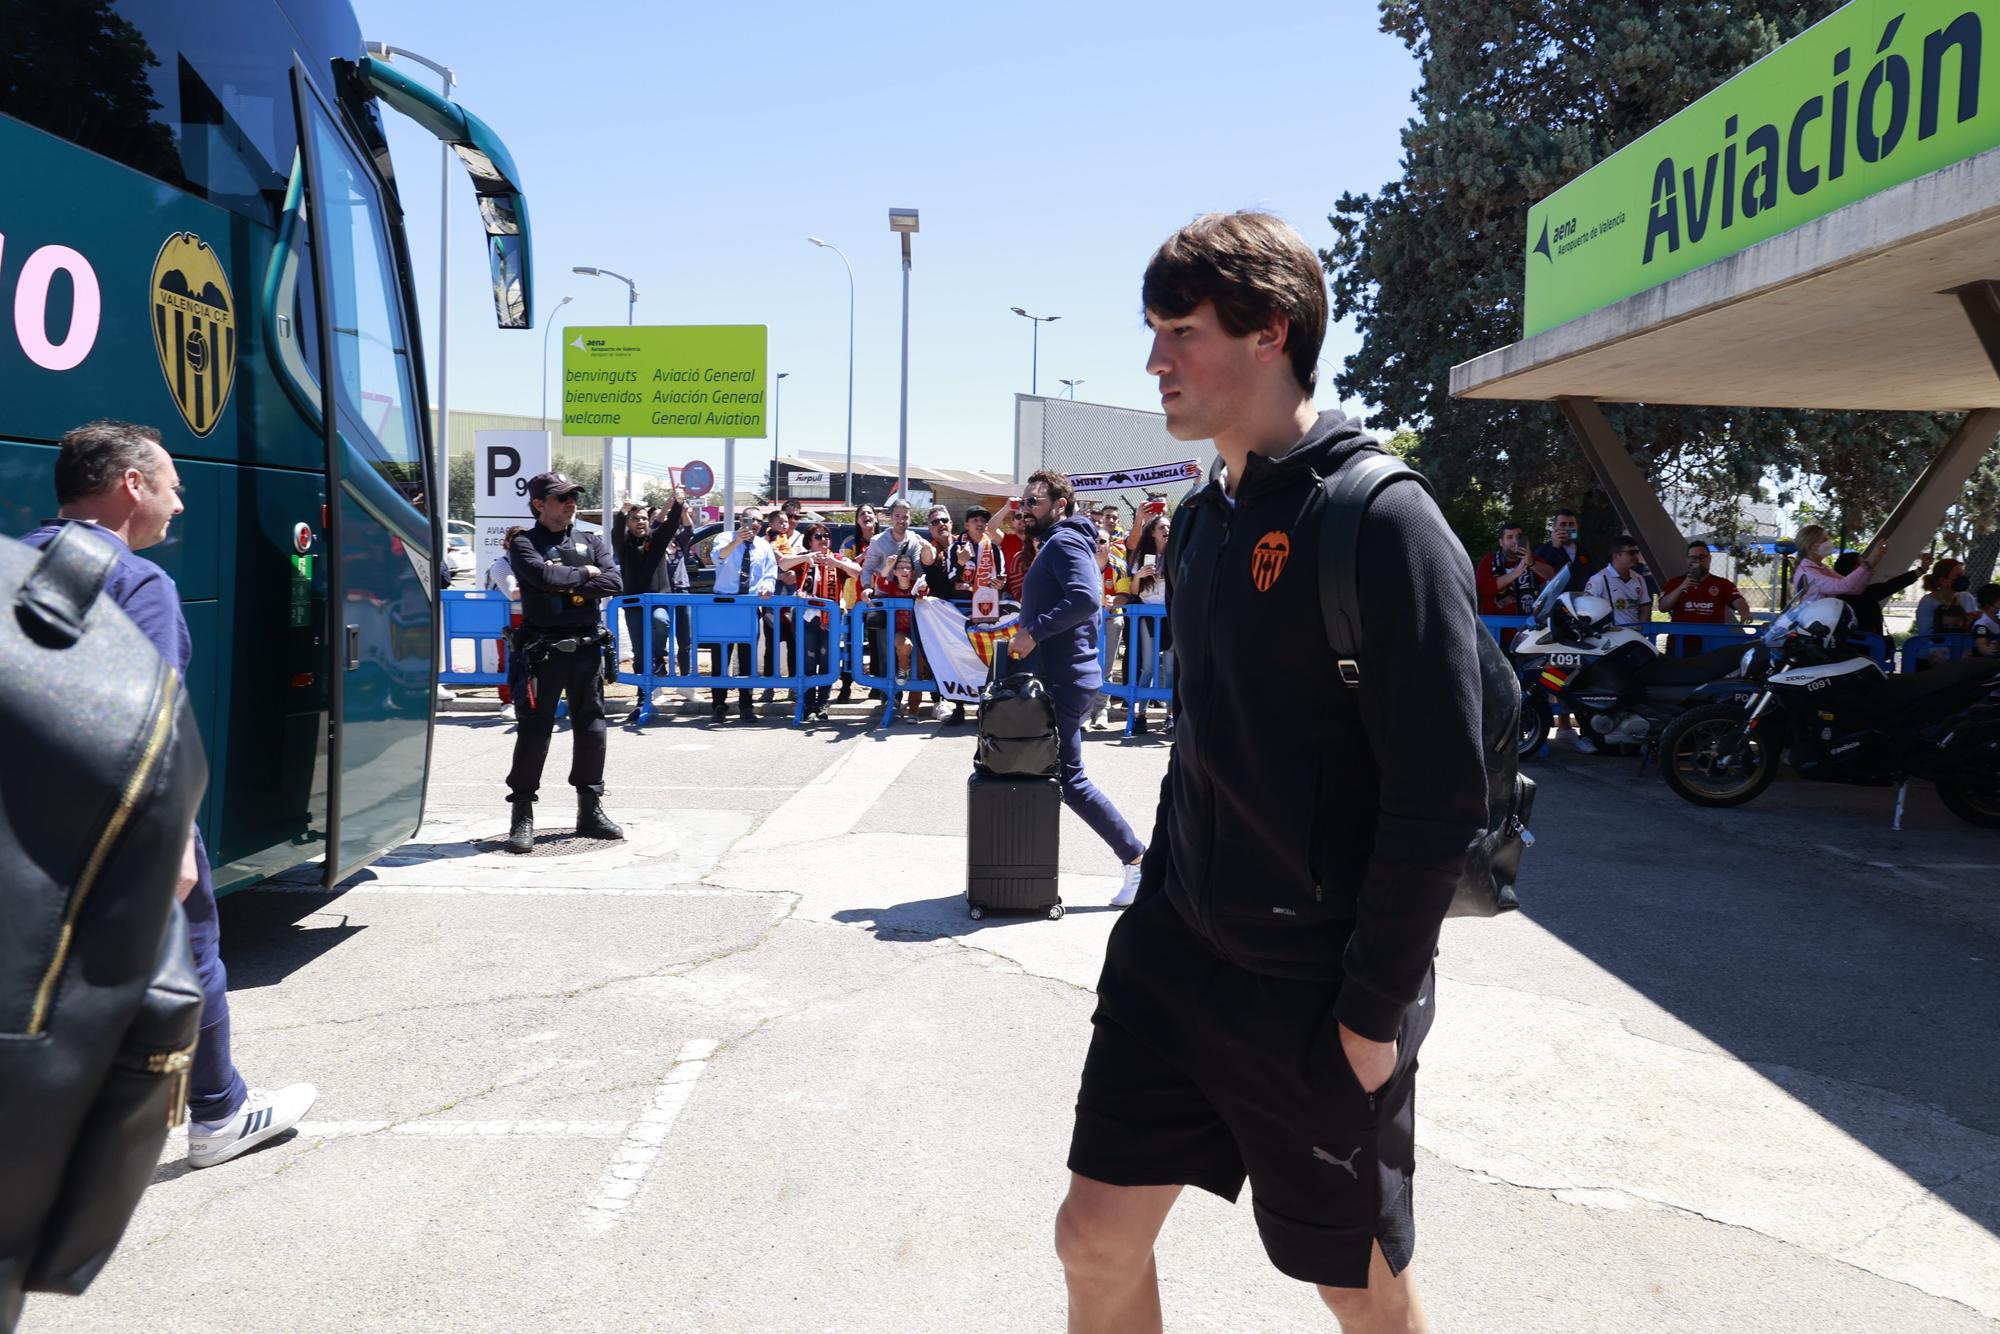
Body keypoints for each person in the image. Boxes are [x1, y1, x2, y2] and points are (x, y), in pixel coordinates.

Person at [1055, 212, 1487, 1334]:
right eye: (1151, 332)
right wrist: (1157, 902)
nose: (1154, 361)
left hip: (1313, 987)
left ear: (1269, 334)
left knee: (1356, 1288)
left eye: (1179, 332)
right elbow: (1205, 742)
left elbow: (1441, 791)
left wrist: (1370, 1009)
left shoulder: (1381, 520)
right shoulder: (1201, 522)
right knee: (1091, 1236)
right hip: (1175, 952)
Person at [24, 421, 316, 1166]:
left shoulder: (14, 561)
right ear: (131, 485)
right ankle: (218, 1113)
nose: (179, 505)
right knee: (195, 949)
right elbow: (149, 725)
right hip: (112, 822)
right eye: (172, 487)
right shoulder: (135, 581)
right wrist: (177, 835)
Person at [1008, 468, 1145, 896]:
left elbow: (1086, 598)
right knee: (1039, 770)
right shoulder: (1059, 542)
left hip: (1063, 678)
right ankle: (1018, 871)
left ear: (1059, 505)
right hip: (1062, 673)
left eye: (1034, 502)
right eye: (1024, 502)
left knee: (1071, 779)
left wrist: (1034, 631)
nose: (1025, 509)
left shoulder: (1065, 540)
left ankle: (1138, 860)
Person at [504, 473, 625, 853]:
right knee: (534, 733)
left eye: (573, 496)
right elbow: (540, 574)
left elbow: (614, 582)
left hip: (587, 649)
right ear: (539, 504)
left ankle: (589, 810)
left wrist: (566, 581)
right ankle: (522, 814)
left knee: (592, 731)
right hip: (544, 652)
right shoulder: (524, 542)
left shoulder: (590, 539)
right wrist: (584, 575)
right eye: (561, 498)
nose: (570, 502)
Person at [780, 523, 859, 721]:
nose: (823, 539)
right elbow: (782, 564)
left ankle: (823, 703)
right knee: (808, 660)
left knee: (827, 660)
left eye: (826, 536)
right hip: (806, 617)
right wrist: (806, 557)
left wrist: (838, 564)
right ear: (810, 541)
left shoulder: (837, 558)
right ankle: (808, 704)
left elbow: (857, 571)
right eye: (818, 536)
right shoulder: (804, 559)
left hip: (830, 618)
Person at [710, 507, 778, 722]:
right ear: (741, 520)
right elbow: (718, 557)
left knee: (747, 658)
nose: (754, 524)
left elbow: (770, 573)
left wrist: (768, 587)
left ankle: (746, 706)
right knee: (721, 656)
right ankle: (719, 705)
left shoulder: (764, 546)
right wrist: (736, 542)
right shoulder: (725, 537)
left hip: (749, 606)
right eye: (750, 520)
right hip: (724, 604)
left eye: (759, 521)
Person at [1659, 539, 1750, 655]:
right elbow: (1663, 607)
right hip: (1680, 644)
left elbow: (1738, 600)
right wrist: (1681, 587)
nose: (1697, 561)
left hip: (1713, 644)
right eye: (1693, 558)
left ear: (1709, 559)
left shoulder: (1722, 584)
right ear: (1687, 560)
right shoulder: (1674, 583)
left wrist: (1745, 612)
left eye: (1702, 557)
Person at [866, 553, 929, 718]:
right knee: (904, 644)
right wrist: (888, 564)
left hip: (920, 632)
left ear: (913, 572)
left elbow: (925, 591)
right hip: (900, 632)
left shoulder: (916, 584)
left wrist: (923, 589)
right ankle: (903, 669)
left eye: (908, 567)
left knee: (919, 672)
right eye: (900, 567)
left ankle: (913, 710)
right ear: (895, 572)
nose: (904, 570)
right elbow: (880, 582)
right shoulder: (892, 587)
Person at [1832, 549, 1928, 654]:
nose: (1868, 568)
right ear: (1852, 570)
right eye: (1862, 565)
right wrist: (1921, 570)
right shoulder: (1866, 594)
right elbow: (1892, 585)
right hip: (1867, 650)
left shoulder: (1834, 594)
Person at [1128, 513, 1172, 734]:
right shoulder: (1143, 556)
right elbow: (1134, 591)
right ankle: (1140, 715)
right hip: (1148, 615)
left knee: (1172, 668)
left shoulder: (1176, 554)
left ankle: (1170, 716)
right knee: (1148, 667)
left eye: (1169, 527)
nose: (1166, 531)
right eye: (1162, 527)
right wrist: (1140, 575)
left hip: (1170, 617)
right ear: (1153, 532)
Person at [1088, 531, 1132, 730]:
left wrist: (1114, 601)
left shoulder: (1119, 565)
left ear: (1110, 543)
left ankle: (1102, 710)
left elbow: (1124, 594)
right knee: (1085, 666)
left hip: (1111, 619)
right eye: (1094, 541)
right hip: (1085, 621)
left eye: (1102, 541)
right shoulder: (1083, 563)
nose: (1098, 544)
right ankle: (1085, 711)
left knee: (1105, 667)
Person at [838, 504, 882, 702]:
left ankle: (876, 685)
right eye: (862, 514)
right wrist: (866, 554)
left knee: (876, 644)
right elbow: (845, 565)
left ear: (876, 518)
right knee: (850, 645)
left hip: (878, 600)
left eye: (869, 513)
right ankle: (845, 686)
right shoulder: (850, 542)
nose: (866, 516)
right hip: (853, 601)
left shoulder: (884, 540)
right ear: (857, 520)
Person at [1474, 522, 1539, 651]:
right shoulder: (1489, 561)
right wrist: (1515, 573)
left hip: (1528, 635)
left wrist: (1531, 563)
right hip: (1495, 634)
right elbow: (1482, 587)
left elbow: (1552, 577)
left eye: (1519, 536)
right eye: (1509, 537)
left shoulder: (1533, 560)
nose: (1515, 541)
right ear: (1501, 542)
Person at [484, 529, 525, 719]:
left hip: (532, 618)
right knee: (507, 660)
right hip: (506, 621)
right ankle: (507, 702)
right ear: (507, 543)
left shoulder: (532, 561)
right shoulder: (501, 565)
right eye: (515, 540)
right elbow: (512, 593)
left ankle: (528, 700)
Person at [1790, 523, 1878, 603]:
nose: (1829, 542)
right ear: (1812, 547)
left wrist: (1869, 567)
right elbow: (1842, 586)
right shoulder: (1808, 573)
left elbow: (1854, 589)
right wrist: (1867, 564)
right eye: (1825, 540)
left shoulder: (1822, 568)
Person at [1584, 535, 1654, 630]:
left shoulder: (1639, 578)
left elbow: (1645, 605)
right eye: (1631, 553)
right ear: (1616, 555)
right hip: (1611, 638)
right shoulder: (1599, 579)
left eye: (1637, 552)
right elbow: (1587, 607)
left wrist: (1641, 628)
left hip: (1635, 637)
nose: (1635, 556)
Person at [1532, 509, 1590, 587]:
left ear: (1577, 526)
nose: (1567, 528)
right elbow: (1541, 577)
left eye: (1571, 524)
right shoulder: (1543, 550)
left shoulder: (1584, 550)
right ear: (1554, 527)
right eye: (1563, 525)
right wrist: (1555, 548)